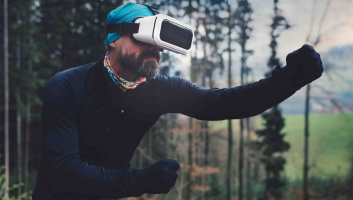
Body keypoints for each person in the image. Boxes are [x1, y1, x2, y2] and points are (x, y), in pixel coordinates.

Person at [32, 2, 323, 200]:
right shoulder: (67, 86)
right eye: (146, 39)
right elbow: (63, 171)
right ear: (113, 39)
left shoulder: (161, 90)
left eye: (160, 44)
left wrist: (289, 80)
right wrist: (139, 181)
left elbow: (228, 103)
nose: (156, 50)